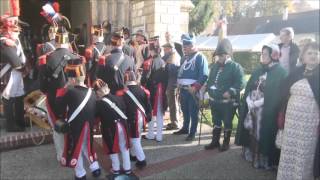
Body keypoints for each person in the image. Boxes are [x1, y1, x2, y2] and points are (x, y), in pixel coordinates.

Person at [235, 44, 287, 169]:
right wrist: (248, 99)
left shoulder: (281, 72)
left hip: (266, 111)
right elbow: (250, 87)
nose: (261, 56)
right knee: (251, 131)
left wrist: (260, 102)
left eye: (265, 54)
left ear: (273, 55)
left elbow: (277, 94)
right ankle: (252, 154)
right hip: (252, 108)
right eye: (261, 53)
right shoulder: (259, 69)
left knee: (261, 133)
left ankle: (262, 159)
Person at [38, 26, 83, 161]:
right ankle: (74, 151)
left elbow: (43, 87)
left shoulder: (45, 59)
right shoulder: (76, 57)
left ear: (55, 41)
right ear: (67, 41)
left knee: (57, 128)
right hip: (74, 97)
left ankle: (61, 155)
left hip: (54, 99)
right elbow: (81, 80)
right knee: (74, 124)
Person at [277, 42, 319, 180]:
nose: (313, 56)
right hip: (292, 122)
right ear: (303, 57)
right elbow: (284, 91)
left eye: (316, 53)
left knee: (305, 152)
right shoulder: (296, 72)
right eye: (310, 53)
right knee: (290, 151)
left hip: (310, 123)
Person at [54, 60, 101, 180]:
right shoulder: (92, 92)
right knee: (87, 145)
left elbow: (58, 106)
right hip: (88, 125)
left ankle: (80, 174)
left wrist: (63, 89)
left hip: (75, 126)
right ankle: (95, 167)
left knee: (75, 148)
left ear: (73, 79)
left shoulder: (69, 91)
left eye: (69, 78)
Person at [205, 39, 245, 151]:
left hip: (228, 103)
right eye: (218, 56)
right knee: (216, 121)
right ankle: (215, 141)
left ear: (227, 55)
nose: (218, 58)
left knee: (227, 122)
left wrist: (231, 91)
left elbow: (241, 83)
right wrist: (206, 88)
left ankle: (226, 143)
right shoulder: (215, 66)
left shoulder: (236, 67)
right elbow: (210, 80)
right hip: (214, 100)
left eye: (220, 56)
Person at [94, 80, 138, 180]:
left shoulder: (99, 103)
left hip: (110, 129)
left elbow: (96, 117)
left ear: (99, 92)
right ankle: (127, 168)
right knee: (124, 147)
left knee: (112, 148)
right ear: (108, 88)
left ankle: (116, 168)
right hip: (123, 125)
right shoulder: (119, 98)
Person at [173, 34, 209, 141]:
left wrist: (195, 87)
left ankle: (192, 132)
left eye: (187, 44)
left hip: (193, 90)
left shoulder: (200, 57)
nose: (184, 47)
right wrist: (179, 83)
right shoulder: (185, 58)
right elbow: (181, 72)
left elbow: (204, 75)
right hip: (183, 89)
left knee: (193, 112)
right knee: (185, 110)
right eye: (184, 45)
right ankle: (185, 128)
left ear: (193, 45)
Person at [0, 6, 27, 132]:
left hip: (16, 73)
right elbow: (15, 61)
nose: (17, 33)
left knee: (19, 97)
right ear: (7, 31)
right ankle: (11, 125)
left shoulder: (14, 41)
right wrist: (24, 69)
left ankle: (20, 121)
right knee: (9, 98)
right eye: (14, 31)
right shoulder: (4, 42)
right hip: (9, 73)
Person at [119, 70, 152, 169]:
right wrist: (148, 117)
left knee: (135, 139)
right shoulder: (143, 90)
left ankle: (142, 160)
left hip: (132, 118)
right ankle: (133, 155)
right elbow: (148, 106)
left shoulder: (123, 93)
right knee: (137, 137)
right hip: (141, 117)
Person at [142, 36, 167, 142]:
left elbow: (145, 78)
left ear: (151, 50)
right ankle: (159, 136)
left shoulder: (149, 62)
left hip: (152, 90)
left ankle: (151, 134)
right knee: (160, 113)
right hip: (161, 90)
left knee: (151, 112)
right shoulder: (163, 61)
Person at [96, 30, 135, 94]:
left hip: (111, 96)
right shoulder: (130, 60)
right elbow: (133, 78)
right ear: (122, 44)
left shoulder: (104, 59)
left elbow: (100, 79)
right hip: (126, 95)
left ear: (111, 44)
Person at [162, 42, 181, 130]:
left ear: (170, 48)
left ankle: (175, 122)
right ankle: (175, 121)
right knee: (173, 103)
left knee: (173, 103)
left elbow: (172, 71)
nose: (164, 51)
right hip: (172, 82)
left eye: (165, 49)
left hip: (173, 83)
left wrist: (166, 66)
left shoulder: (174, 56)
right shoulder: (170, 55)